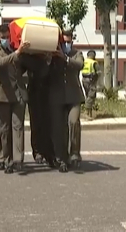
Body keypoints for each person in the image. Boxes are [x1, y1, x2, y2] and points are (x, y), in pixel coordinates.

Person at [0, 24, 32, 174]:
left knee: (18, 127)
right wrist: (18, 52)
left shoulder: (14, 50)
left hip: (18, 93)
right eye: (3, 37)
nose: (6, 39)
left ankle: (18, 160)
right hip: (2, 95)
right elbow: (1, 62)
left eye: (8, 36)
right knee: (4, 129)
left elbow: (21, 67)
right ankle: (6, 160)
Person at [48, 30, 85, 173]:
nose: (67, 44)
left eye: (69, 42)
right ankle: (61, 158)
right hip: (57, 97)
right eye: (64, 42)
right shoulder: (53, 55)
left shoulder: (77, 53)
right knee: (59, 127)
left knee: (74, 122)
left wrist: (65, 58)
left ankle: (74, 154)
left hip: (74, 95)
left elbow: (79, 65)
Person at [27, 52, 55, 166]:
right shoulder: (31, 59)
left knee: (48, 125)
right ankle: (38, 152)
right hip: (34, 93)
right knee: (36, 124)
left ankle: (49, 153)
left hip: (48, 94)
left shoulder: (52, 59)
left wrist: (49, 60)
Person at [81, 50, 100, 118]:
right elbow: (99, 73)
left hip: (84, 80)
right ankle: (86, 113)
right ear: (93, 55)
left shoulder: (84, 61)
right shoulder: (94, 62)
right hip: (91, 80)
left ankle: (89, 114)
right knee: (91, 96)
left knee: (87, 95)